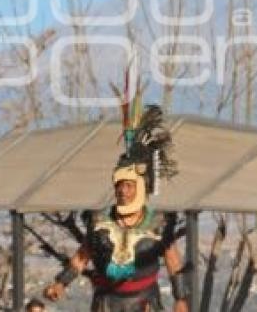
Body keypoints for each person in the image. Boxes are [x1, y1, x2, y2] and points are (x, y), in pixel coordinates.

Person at [43, 105, 190, 312]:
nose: (123, 192)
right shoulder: (100, 221)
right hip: (107, 302)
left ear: (140, 187)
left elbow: (173, 262)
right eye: (119, 186)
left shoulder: (159, 223)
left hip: (145, 302)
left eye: (129, 186)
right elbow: (82, 256)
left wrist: (181, 299)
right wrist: (61, 282)